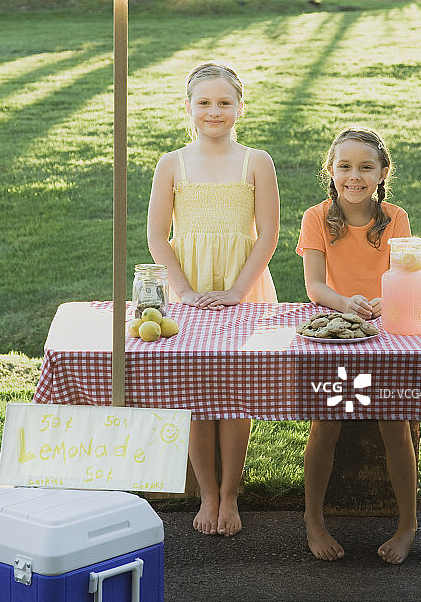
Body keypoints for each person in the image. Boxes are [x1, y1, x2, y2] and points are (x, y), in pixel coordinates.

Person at [147, 61, 279, 537]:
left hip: (243, 285)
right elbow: (157, 236)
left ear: (240, 106)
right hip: (189, 286)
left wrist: (237, 291)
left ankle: (230, 493)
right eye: (204, 102)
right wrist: (183, 291)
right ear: (188, 107)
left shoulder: (256, 161)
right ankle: (205, 491)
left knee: (236, 393)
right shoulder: (172, 163)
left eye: (224, 102)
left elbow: (268, 235)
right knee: (198, 395)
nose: (214, 111)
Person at [296, 126, 417, 564]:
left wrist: (381, 302)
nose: (355, 176)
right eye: (345, 166)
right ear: (331, 170)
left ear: (383, 173)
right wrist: (347, 303)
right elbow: (314, 286)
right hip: (336, 330)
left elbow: (402, 274)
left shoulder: (395, 219)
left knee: (394, 424)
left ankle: (407, 526)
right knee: (326, 424)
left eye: (366, 167)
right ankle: (313, 520)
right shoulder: (316, 217)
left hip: (383, 330)